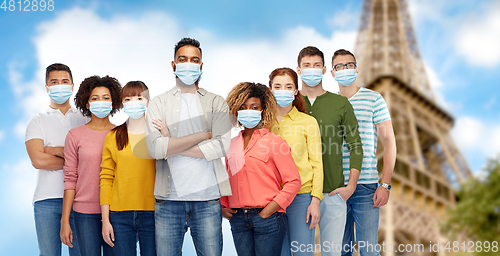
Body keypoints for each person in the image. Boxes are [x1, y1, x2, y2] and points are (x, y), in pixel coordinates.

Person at [145, 37, 232, 256]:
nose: (188, 64)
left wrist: (171, 143)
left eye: (194, 60)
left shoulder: (216, 102)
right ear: (173, 65)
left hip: (208, 200)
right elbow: (156, 149)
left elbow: (220, 147)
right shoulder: (158, 103)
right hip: (169, 201)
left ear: (201, 66)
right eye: (182, 59)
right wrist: (203, 135)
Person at [297, 46, 364, 256]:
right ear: (298, 70)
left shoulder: (340, 103)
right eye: (307, 65)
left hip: (333, 192)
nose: (312, 69)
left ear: (325, 69)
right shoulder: (288, 104)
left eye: (316, 65)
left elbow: (355, 145)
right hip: (298, 193)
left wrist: (350, 186)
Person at [222, 82, 302, 256]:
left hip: (268, 218)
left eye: (254, 107)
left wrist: (268, 211)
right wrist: (223, 205)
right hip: (238, 220)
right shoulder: (231, 144)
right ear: (236, 110)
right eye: (243, 107)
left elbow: (293, 181)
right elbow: (225, 178)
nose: (248, 111)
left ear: (263, 110)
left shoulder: (275, 142)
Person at [331, 49, 396, 256]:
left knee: (369, 250)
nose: (344, 69)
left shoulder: (373, 99)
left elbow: (389, 142)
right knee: (340, 251)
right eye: (339, 66)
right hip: (334, 187)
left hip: (366, 186)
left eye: (349, 65)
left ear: (357, 69)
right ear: (332, 73)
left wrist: (385, 184)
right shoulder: (328, 103)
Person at [25, 63, 86, 256]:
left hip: (80, 199)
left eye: (64, 81)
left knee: (81, 253)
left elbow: (94, 159)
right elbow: (38, 161)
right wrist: (76, 161)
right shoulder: (37, 121)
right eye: (54, 82)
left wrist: (54, 150)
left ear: (72, 85)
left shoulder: (84, 119)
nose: (60, 85)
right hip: (46, 200)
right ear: (47, 87)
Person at [60, 75, 122, 256]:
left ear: (113, 102)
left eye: (105, 98)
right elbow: (70, 179)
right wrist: (65, 220)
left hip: (116, 212)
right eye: (94, 98)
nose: (100, 102)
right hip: (84, 213)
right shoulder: (75, 135)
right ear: (87, 104)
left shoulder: (122, 134)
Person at [267, 68, 323, 256]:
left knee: (302, 253)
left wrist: (315, 201)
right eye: (278, 86)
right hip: (271, 199)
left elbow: (317, 163)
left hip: (301, 198)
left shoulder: (308, 122)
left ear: (296, 90)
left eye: (288, 86)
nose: (283, 90)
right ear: (270, 89)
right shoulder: (262, 123)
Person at [100, 81, 157, 256]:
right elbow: (106, 178)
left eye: (139, 97)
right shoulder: (113, 136)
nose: (134, 102)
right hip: (119, 215)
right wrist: (105, 220)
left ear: (148, 101)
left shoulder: (158, 134)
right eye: (128, 98)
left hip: (154, 213)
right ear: (122, 103)